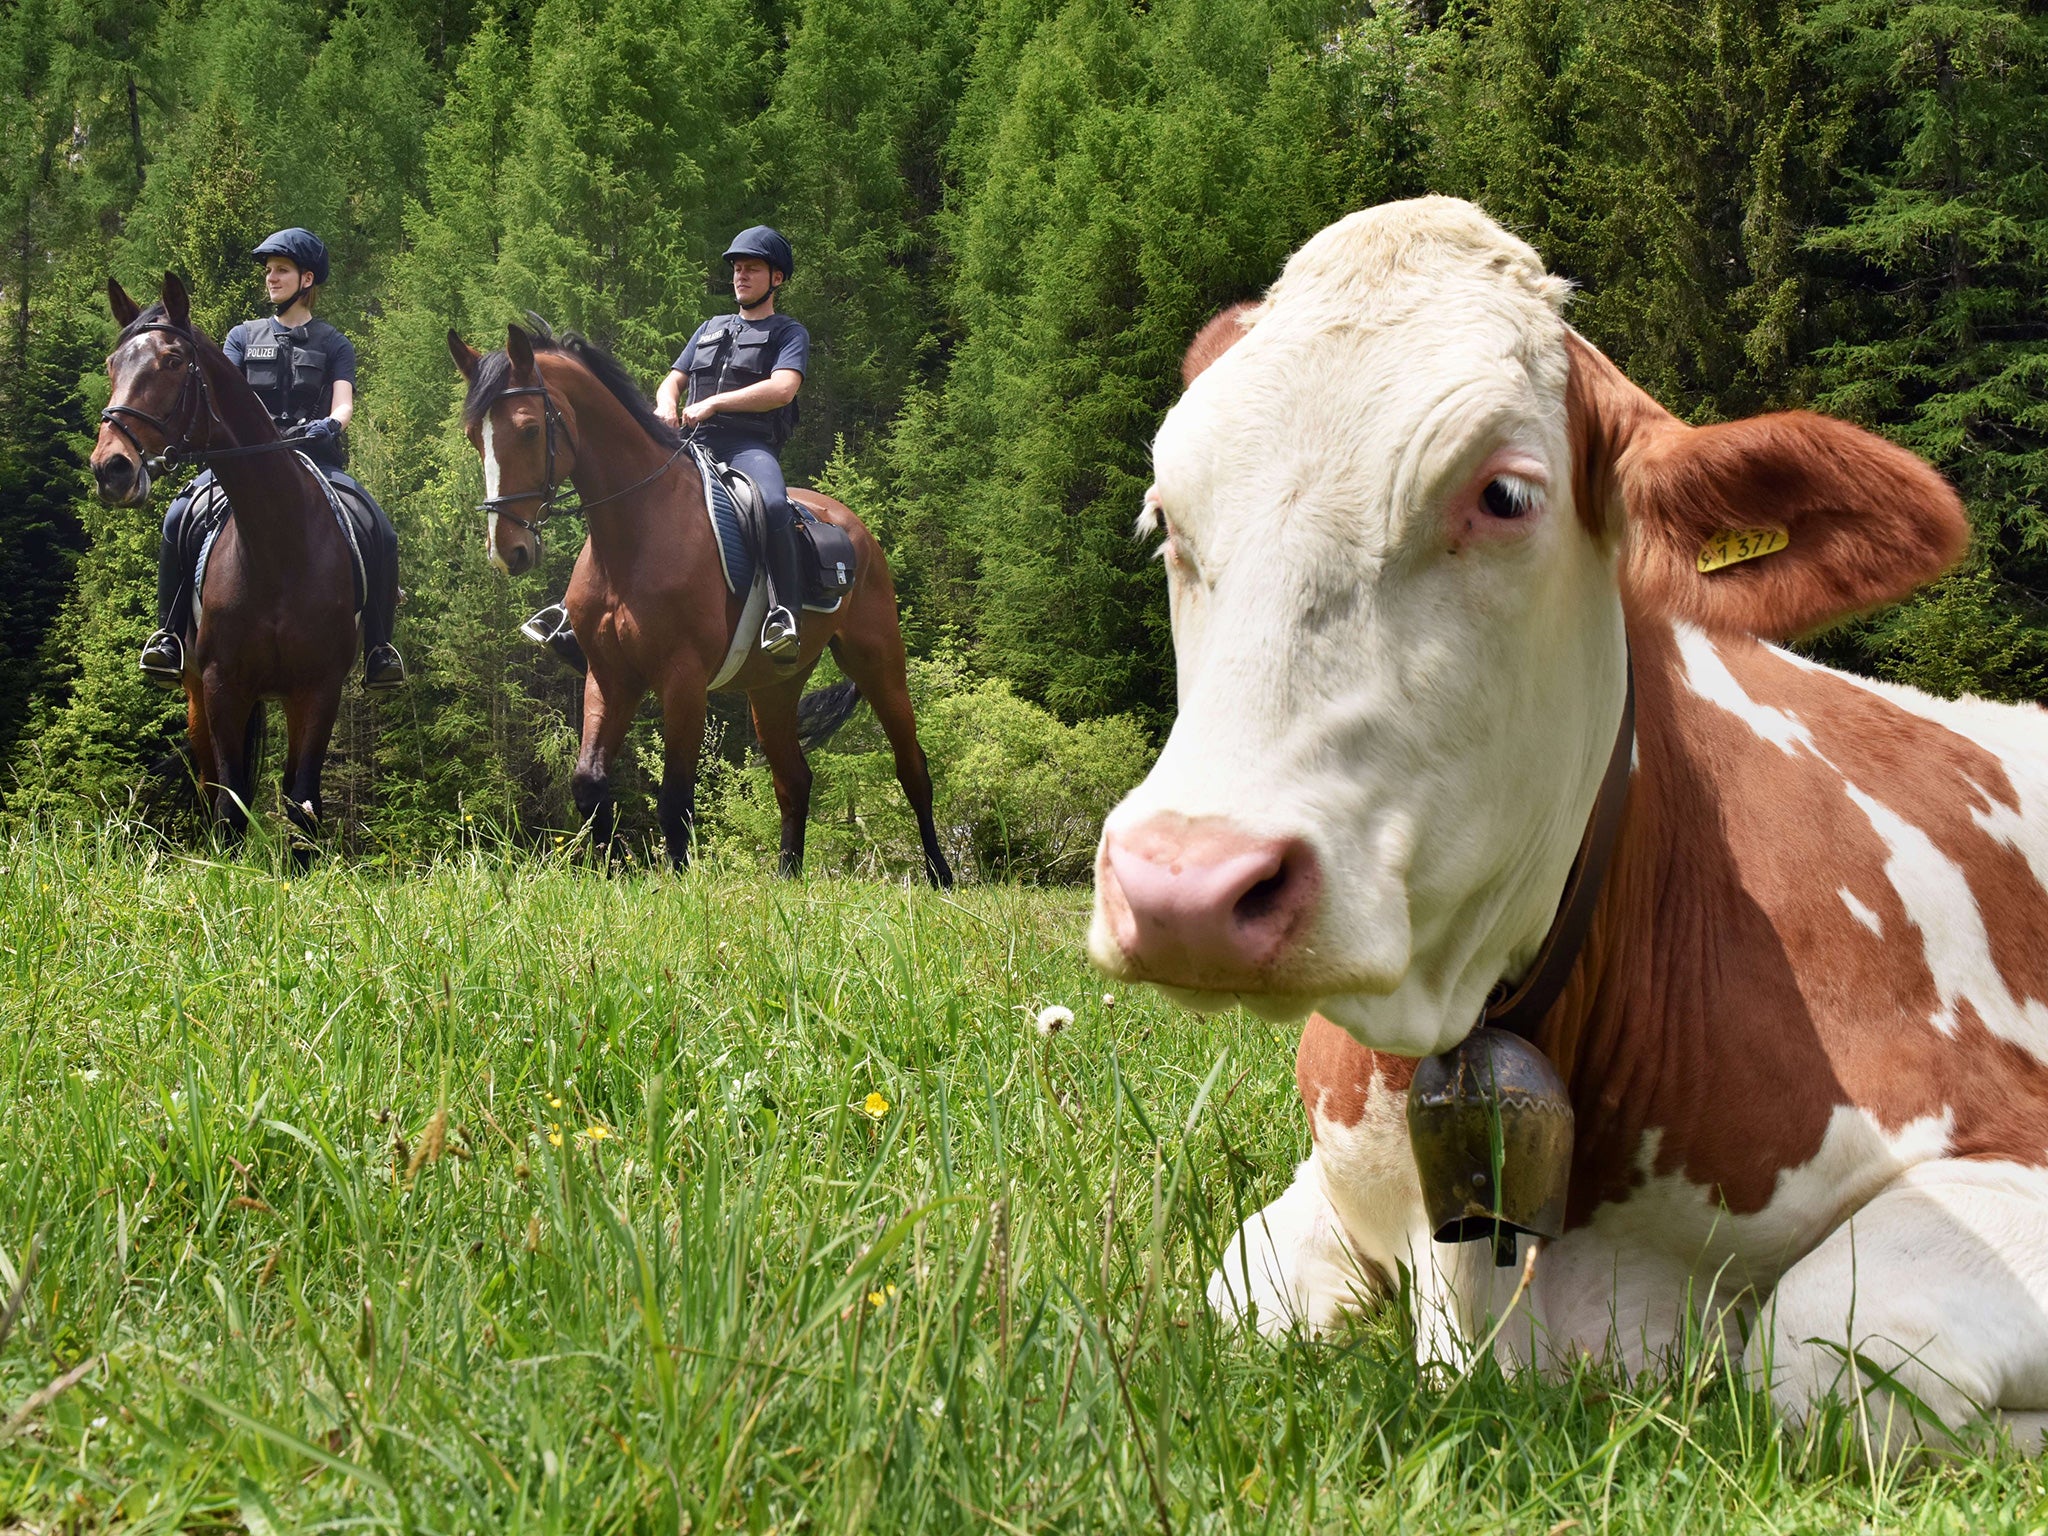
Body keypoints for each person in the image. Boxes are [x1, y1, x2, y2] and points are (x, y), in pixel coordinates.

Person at [139, 227, 405, 690]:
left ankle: (380, 647)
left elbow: (343, 403)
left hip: (315, 461)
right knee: (179, 514)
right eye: (268, 271)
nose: (271, 278)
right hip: (245, 464)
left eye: (280, 270)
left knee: (379, 526)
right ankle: (168, 635)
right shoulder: (242, 337)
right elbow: (224, 398)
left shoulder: (334, 343)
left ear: (306, 279)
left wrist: (331, 425)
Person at [654, 226, 810, 659]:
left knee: (775, 504)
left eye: (752, 268)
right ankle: (574, 611)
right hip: (689, 442)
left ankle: (785, 614)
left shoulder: (788, 333)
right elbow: (674, 380)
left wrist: (715, 403)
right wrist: (666, 404)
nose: (740, 275)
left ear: (776, 278)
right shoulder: (709, 327)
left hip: (746, 447)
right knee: (625, 483)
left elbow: (782, 390)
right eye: (737, 268)